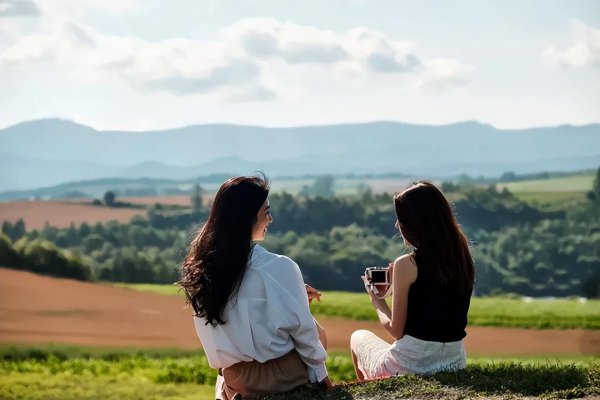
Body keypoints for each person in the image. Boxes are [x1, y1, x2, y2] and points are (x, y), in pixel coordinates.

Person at [179, 175, 332, 400]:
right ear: (249, 218)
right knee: (318, 331)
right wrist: (323, 378)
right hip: (281, 376)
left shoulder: (202, 271)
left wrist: (292, 297)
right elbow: (304, 332)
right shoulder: (278, 266)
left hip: (235, 379)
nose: (270, 219)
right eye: (266, 212)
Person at [351, 180, 475, 380]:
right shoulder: (462, 257)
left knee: (358, 337)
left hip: (410, 365)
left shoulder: (407, 264)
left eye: (400, 219)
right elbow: (433, 297)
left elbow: (396, 331)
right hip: (454, 363)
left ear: (414, 224)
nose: (397, 225)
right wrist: (396, 285)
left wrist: (377, 300)